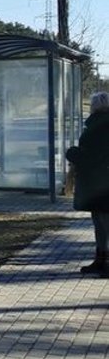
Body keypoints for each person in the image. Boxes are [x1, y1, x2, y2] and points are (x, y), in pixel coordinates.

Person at [66, 91, 109, 277]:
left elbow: (91, 156)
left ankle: (103, 262)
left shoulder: (97, 127)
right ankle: (100, 261)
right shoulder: (98, 125)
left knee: (103, 224)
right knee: (101, 223)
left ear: (94, 106)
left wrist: (72, 153)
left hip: (99, 184)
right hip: (101, 182)